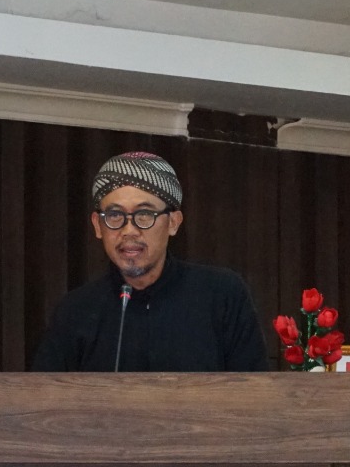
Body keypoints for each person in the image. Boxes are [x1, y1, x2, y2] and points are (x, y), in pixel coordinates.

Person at [30, 151, 269, 372]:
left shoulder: (221, 295)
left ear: (173, 222)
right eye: (115, 215)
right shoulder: (76, 310)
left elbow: (256, 389)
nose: (129, 230)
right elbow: (42, 394)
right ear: (97, 225)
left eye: (144, 214)